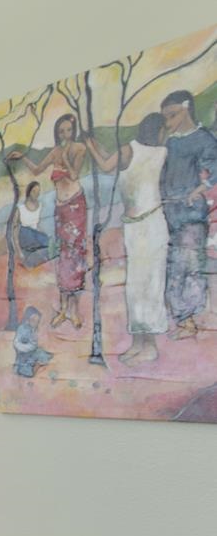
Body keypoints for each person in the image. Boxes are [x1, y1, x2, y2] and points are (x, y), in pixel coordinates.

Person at [90, 112, 170, 363]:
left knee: (151, 284)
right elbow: (107, 162)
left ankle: (151, 346)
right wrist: (92, 144)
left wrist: (91, 145)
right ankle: (138, 343)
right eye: (163, 129)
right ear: (155, 130)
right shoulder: (132, 150)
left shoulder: (159, 152)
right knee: (136, 286)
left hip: (152, 224)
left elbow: (105, 163)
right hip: (134, 227)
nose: (165, 133)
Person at [13, 114, 92, 329]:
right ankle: (64, 309)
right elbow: (38, 169)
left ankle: (74, 311)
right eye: (61, 131)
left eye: (68, 130)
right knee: (62, 255)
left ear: (72, 131)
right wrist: (23, 158)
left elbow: (74, 175)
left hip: (76, 205)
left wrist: (65, 157)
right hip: (60, 207)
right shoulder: (56, 151)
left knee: (76, 256)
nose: (64, 135)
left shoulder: (78, 149)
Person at [159, 89, 217, 337]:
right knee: (174, 266)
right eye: (166, 118)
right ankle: (182, 319)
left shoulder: (204, 139)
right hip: (169, 213)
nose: (169, 122)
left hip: (192, 215)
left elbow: (214, 171)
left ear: (186, 108)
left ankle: (189, 321)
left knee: (190, 267)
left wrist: (198, 190)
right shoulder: (171, 141)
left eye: (172, 115)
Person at [16, 181, 54, 267]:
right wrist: (18, 251)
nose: (37, 194)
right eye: (34, 191)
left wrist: (45, 235)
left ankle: (32, 259)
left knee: (50, 244)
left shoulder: (41, 205)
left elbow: (39, 225)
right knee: (48, 245)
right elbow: (15, 231)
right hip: (25, 236)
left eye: (38, 192)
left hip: (35, 237)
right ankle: (30, 259)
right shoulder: (20, 208)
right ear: (29, 192)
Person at [14, 306, 54, 377]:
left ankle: (37, 362)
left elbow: (34, 342)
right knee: (26, 370)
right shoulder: (22, 329)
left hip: (32, 352)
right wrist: (30, 347)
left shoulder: (33, 329)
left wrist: (34, 344)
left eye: (37, 321)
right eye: (33, 320)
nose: (35, 323)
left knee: (42, 354)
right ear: (27, 319)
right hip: (23, 356)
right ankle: (35, 366)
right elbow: (17, 344)